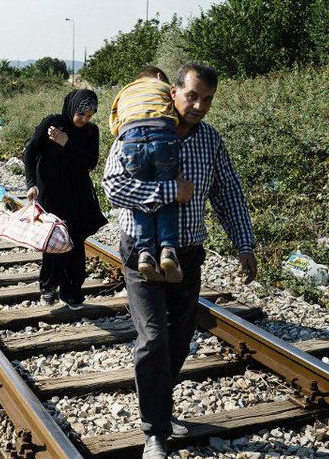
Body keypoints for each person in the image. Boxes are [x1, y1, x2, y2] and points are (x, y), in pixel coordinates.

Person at [102, 62, 257, 459]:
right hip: (141, 252)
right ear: (174, 92)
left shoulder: (210, 141)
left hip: (188, 254)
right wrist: (170, 190)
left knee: (179, 339)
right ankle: (155, 430)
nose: (199, 106)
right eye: (192, 96)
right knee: (153, 338)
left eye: (207, 100)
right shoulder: (139, 128)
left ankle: (160, 404)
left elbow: (228, 193)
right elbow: (114, 188)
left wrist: (244, 244)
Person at [23, 89, 107, 310]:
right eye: (81, 114)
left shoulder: (91, 132)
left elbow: (90, 162)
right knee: (54, 240)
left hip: (78, 193)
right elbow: (30, 152)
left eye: (89, 116)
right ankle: (48, 287)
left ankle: (72, 293)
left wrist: (67, 143)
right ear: (73, 109)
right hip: (50, 192)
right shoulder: (53, 123)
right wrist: (31, 184)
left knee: (76, 242)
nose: (84, 120)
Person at [109, 65, 182, 283]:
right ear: (160, 77)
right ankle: (168, 250)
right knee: (168, 194)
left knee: (140, 198)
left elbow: (114, 125)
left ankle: (145, 253)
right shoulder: (164, 86)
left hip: (131, 141)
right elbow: (177, 110)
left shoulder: (124, 92)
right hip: (163, 137)